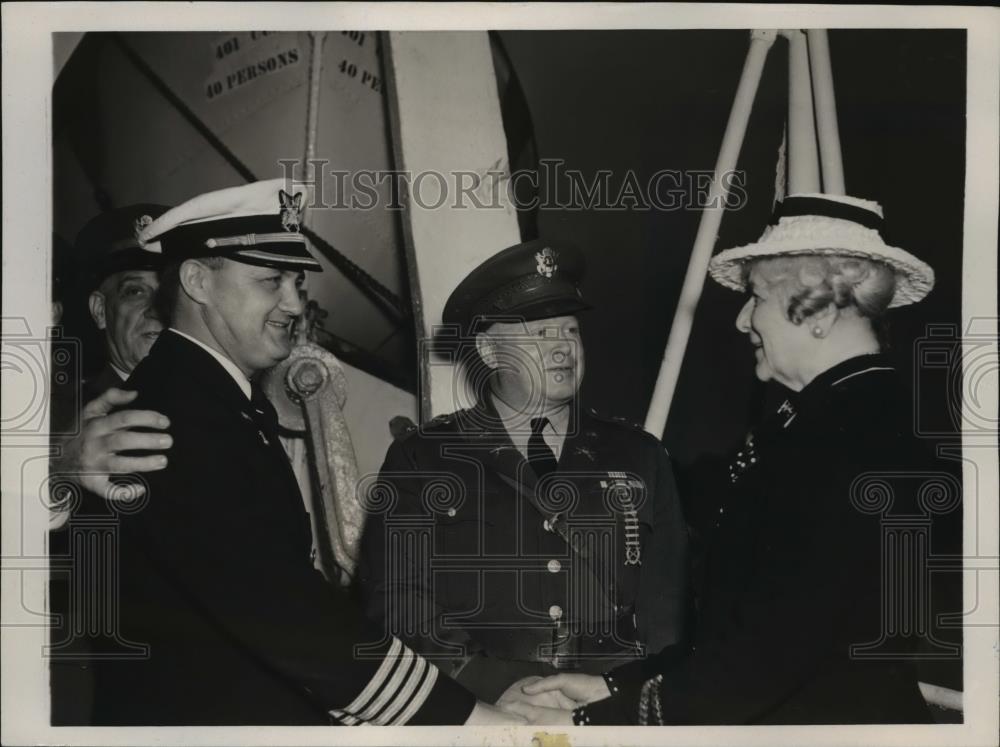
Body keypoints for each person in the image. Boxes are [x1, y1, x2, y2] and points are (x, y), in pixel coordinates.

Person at [88, 178, 520, 726]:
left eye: (295, 280)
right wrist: (467, 718)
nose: (294, 303)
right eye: (271, 281)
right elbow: (280, 611)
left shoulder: (220, 400)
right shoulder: (169, 416)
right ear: (197, 281)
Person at [512, 193, 951, 725]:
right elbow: (750, 631)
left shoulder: (849, 444)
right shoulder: (831, 422)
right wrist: (610, 683)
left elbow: (766, 663)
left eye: (756, 298)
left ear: (818, 309)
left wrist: (593, 723)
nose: (743, 321)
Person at [358, 239, 689, 706]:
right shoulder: (423, 459)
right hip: (484, 711)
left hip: (610, 708)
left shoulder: (640, 456)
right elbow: (397, 601)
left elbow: (666, 609)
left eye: (571, 331)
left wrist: (631, 694)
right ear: (490, 352)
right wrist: (492, 685)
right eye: (539, 336)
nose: (563, 350)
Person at [76, 204, 171, 400]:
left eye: (169, 291)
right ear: (100, 311)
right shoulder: (70, 418)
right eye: (135, 291)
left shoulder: (212, 403)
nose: (157, 309)